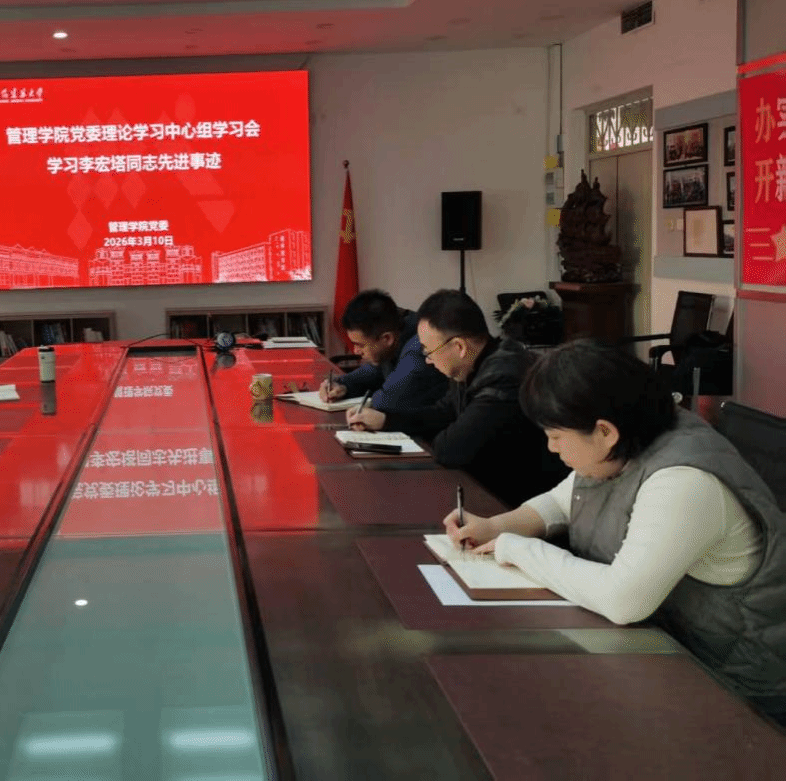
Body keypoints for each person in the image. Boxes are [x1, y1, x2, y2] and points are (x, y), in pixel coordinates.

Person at [446, 340, 786, 723]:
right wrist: (494, 525)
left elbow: (623, 600)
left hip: (740, 693)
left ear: (604, 431)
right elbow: (564, 501)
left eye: (556, 435)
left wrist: (517, 549)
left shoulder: (684, 482)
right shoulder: (631, 438)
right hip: (672, 653)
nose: (551, 448)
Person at [350, 289, 561, 507]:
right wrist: (385, 420)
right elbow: (443, 412)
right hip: (491, 491)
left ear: (459, 347)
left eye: (429, 351)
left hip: (520, 503)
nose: (428, 360)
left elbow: (449, 449)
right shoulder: (474, 364)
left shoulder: (503, 378)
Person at [317, 289, 448, 421]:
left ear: (387, 339)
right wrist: (342, 385)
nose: (356, 351)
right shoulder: (395, 333)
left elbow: (386, 402)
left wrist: (374, 393)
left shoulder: (418, 350)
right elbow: (374, 371)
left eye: (360, 345)